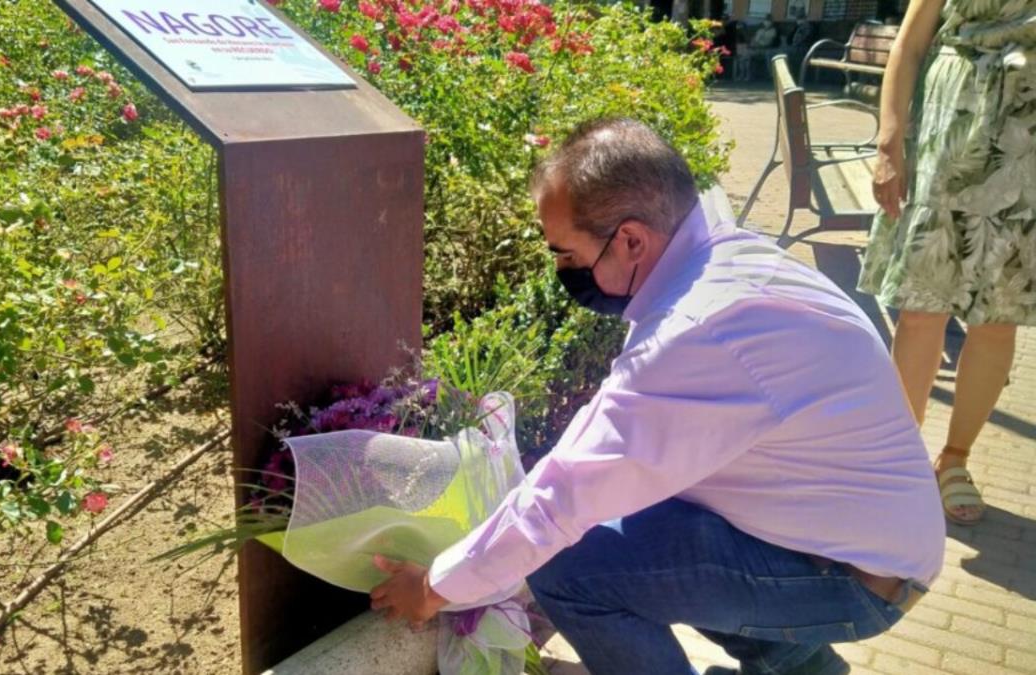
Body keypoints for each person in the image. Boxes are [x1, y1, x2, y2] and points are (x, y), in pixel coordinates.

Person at [371, 118, 944, 675]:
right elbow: (607, 457)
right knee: (641, 528)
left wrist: (432, 587)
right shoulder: (727, 260)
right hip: (854, 549)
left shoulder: (699, 330)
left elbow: (561, 499)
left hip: (857, 580)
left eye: (567, 256)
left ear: (630, 240)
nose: (565, 273)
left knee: (570, 570)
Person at [859, 0, 1035, 525]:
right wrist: (889, 143)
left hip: (1026, 147)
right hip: (949, 131)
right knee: (920, 308)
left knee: (997, 319)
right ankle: (900, 456)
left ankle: (954, 459)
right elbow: (910, 46)